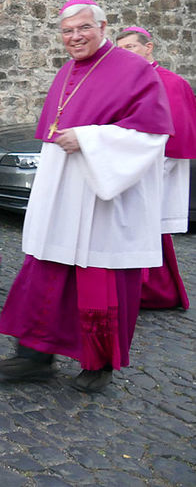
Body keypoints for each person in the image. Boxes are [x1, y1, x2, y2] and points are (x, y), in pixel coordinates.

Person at [0, 0, 173, 393]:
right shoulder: (67, 70)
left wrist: (91, 139)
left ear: (103, 26)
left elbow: (152, 135)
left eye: (83, 28)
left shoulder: (135, 70)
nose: (75, 37)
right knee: (46, 273)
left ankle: (99, 364)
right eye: (67, 31)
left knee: (100, 284)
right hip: (63, 189)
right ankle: (34, 355)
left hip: (105, 196)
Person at [116, 26, 194, 310]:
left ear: (149, 48)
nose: (125, 54)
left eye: (131, 47)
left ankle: (150, 291)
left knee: (146, 226)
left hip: (156, 169)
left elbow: (177, 136)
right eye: (120, 49)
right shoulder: (121, 80)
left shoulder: (170, 83)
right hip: (125, 166)